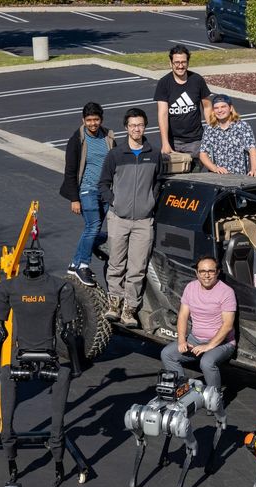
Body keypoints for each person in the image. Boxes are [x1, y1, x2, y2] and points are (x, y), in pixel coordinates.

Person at [0, 248, 77, 487]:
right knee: (5, 418)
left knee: (59, 406)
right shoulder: (9, 288)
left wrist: (75, 366)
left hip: (49, 358)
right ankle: (11, 461)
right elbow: (0, 330)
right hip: (22, 358)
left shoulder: (58, 286)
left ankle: (58, 461)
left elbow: (69, 331)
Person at [99, 107, 161, 329]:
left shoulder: (154, 153)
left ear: (145, 126)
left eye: (141, 125)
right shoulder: (116, 154)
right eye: (133, 125)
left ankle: (129, 309)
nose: (137, 129)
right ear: (126, 128)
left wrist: (150, 203)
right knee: (116, 264)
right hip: (119, 218)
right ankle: (114, 304)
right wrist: (114, 202)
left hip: (144, 221)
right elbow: (103, 183)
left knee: (137, 268)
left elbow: (158, 182)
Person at [160, 255, 236, 394]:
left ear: (217, 272)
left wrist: (208, 346)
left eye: (211, 271)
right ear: (197, 272)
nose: (206, 275)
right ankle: (182, 389)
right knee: (167, 354)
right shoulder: (190, 287)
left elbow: (227, 325)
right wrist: (182, 340)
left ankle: (214, 399)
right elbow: (183, 315)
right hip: (195, 339)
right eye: (202, 271)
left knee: (206, 363)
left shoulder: (226, 292)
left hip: (222, 342)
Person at [59, 101, 115, 287]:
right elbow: (70, 170)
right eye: (89, 120)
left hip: (105, 190)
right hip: (86, 189)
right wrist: (74, 198)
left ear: (101, 119)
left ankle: (74, 264)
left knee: (94, 229)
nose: (93, 123)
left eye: (96, 119)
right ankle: (83, 264)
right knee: (93, 225)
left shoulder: (108, 137)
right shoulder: (77, 139)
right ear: (83, 120)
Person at [155, 44, 212, 157]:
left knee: (195, 174)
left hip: (196, 141)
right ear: (170, 63)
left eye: (183, 62)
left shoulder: (197, 80)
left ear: (187, 63)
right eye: (177, 62)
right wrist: (165, 143)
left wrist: (213, 134)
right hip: (173, 142)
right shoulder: (164, 83)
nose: (180, 66)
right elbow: (163, 114)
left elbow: (207, 107)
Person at [199, 94, 256, 177]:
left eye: (223, 107)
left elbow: (252, 150)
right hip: (218, 178)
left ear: (231, 108)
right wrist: (215, 168)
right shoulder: (210, 129)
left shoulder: (242, 126)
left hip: (239, 178)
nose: (220, 110)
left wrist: (254, 170)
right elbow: (203, 154)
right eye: (216, 108)